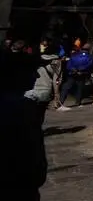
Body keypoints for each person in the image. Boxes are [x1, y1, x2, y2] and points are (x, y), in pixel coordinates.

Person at [1, 48, 47, 201]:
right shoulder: (23, 109)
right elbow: (32, 156)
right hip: (18, 186)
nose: (37, 75)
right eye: (32, 71)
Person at [57, 39, 93, 109]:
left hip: (72, 73)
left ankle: (61, 101)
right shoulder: (90, 57)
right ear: (89, 50)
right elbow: (89, 65)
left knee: (67, 86)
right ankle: (78, 102)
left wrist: (74, 70)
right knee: (80, 88)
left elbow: (69, 65)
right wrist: (81, 70)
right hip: (82, 74)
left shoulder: (74, 55)